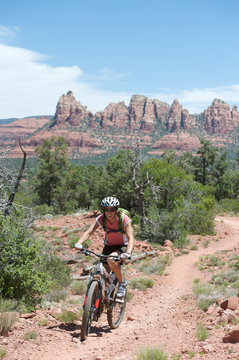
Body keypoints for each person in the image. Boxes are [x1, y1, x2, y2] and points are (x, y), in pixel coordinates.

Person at [75, 196, 134, 297]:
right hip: (109, 245)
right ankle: (103, 298)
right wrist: (79, 243)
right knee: (101, 270)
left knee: (111, 260)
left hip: (122, 246)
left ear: (116, 209)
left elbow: (130, 238)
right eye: (106, 209)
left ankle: (122, 283)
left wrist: (127, 253)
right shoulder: (101, 218)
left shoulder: (124, 219)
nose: (109, 212)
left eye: (112, 209)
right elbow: (89, 231)